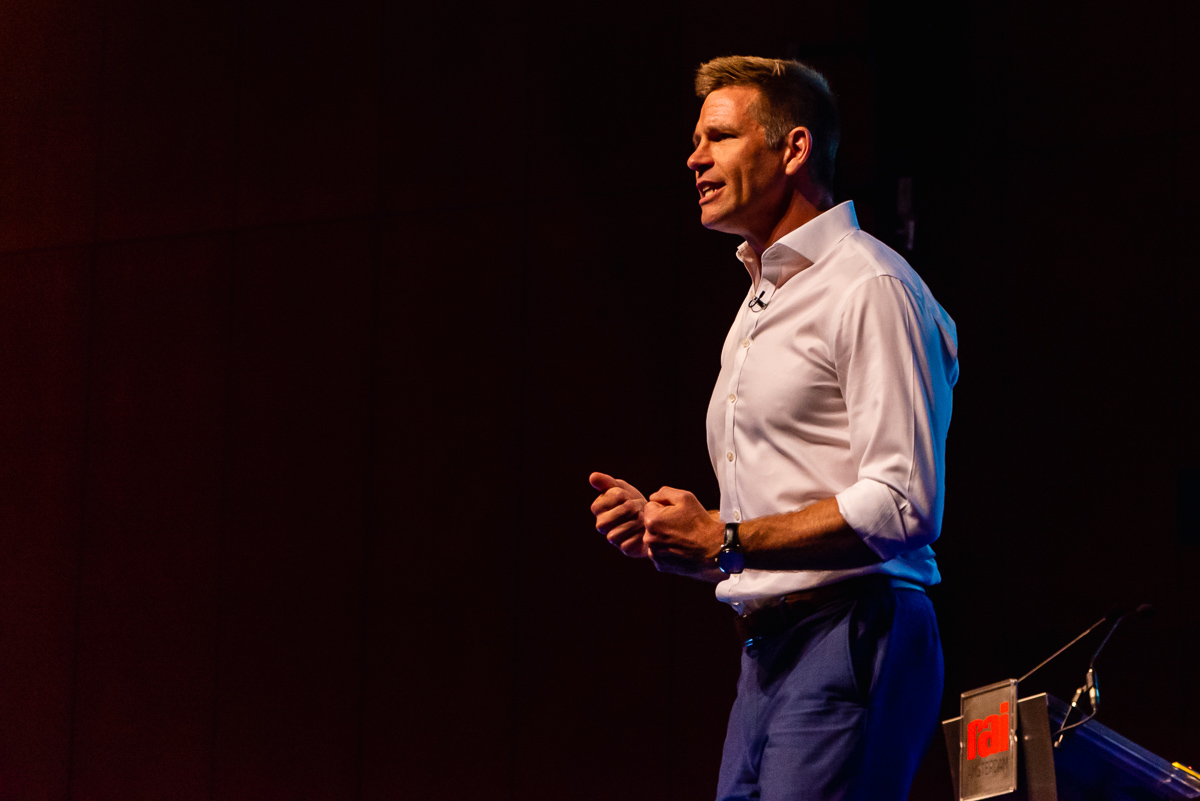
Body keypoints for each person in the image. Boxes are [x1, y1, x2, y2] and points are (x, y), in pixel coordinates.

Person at [588, 56, 958, 801]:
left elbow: (903, 506)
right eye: (696, 140)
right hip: (767, 650)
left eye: (719, 137)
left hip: (854, 630)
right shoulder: (759, 304)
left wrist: (724, 536)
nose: (695, 157)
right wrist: (685, 541)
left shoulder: (869, 286)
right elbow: (770, 521)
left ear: (792, 150)